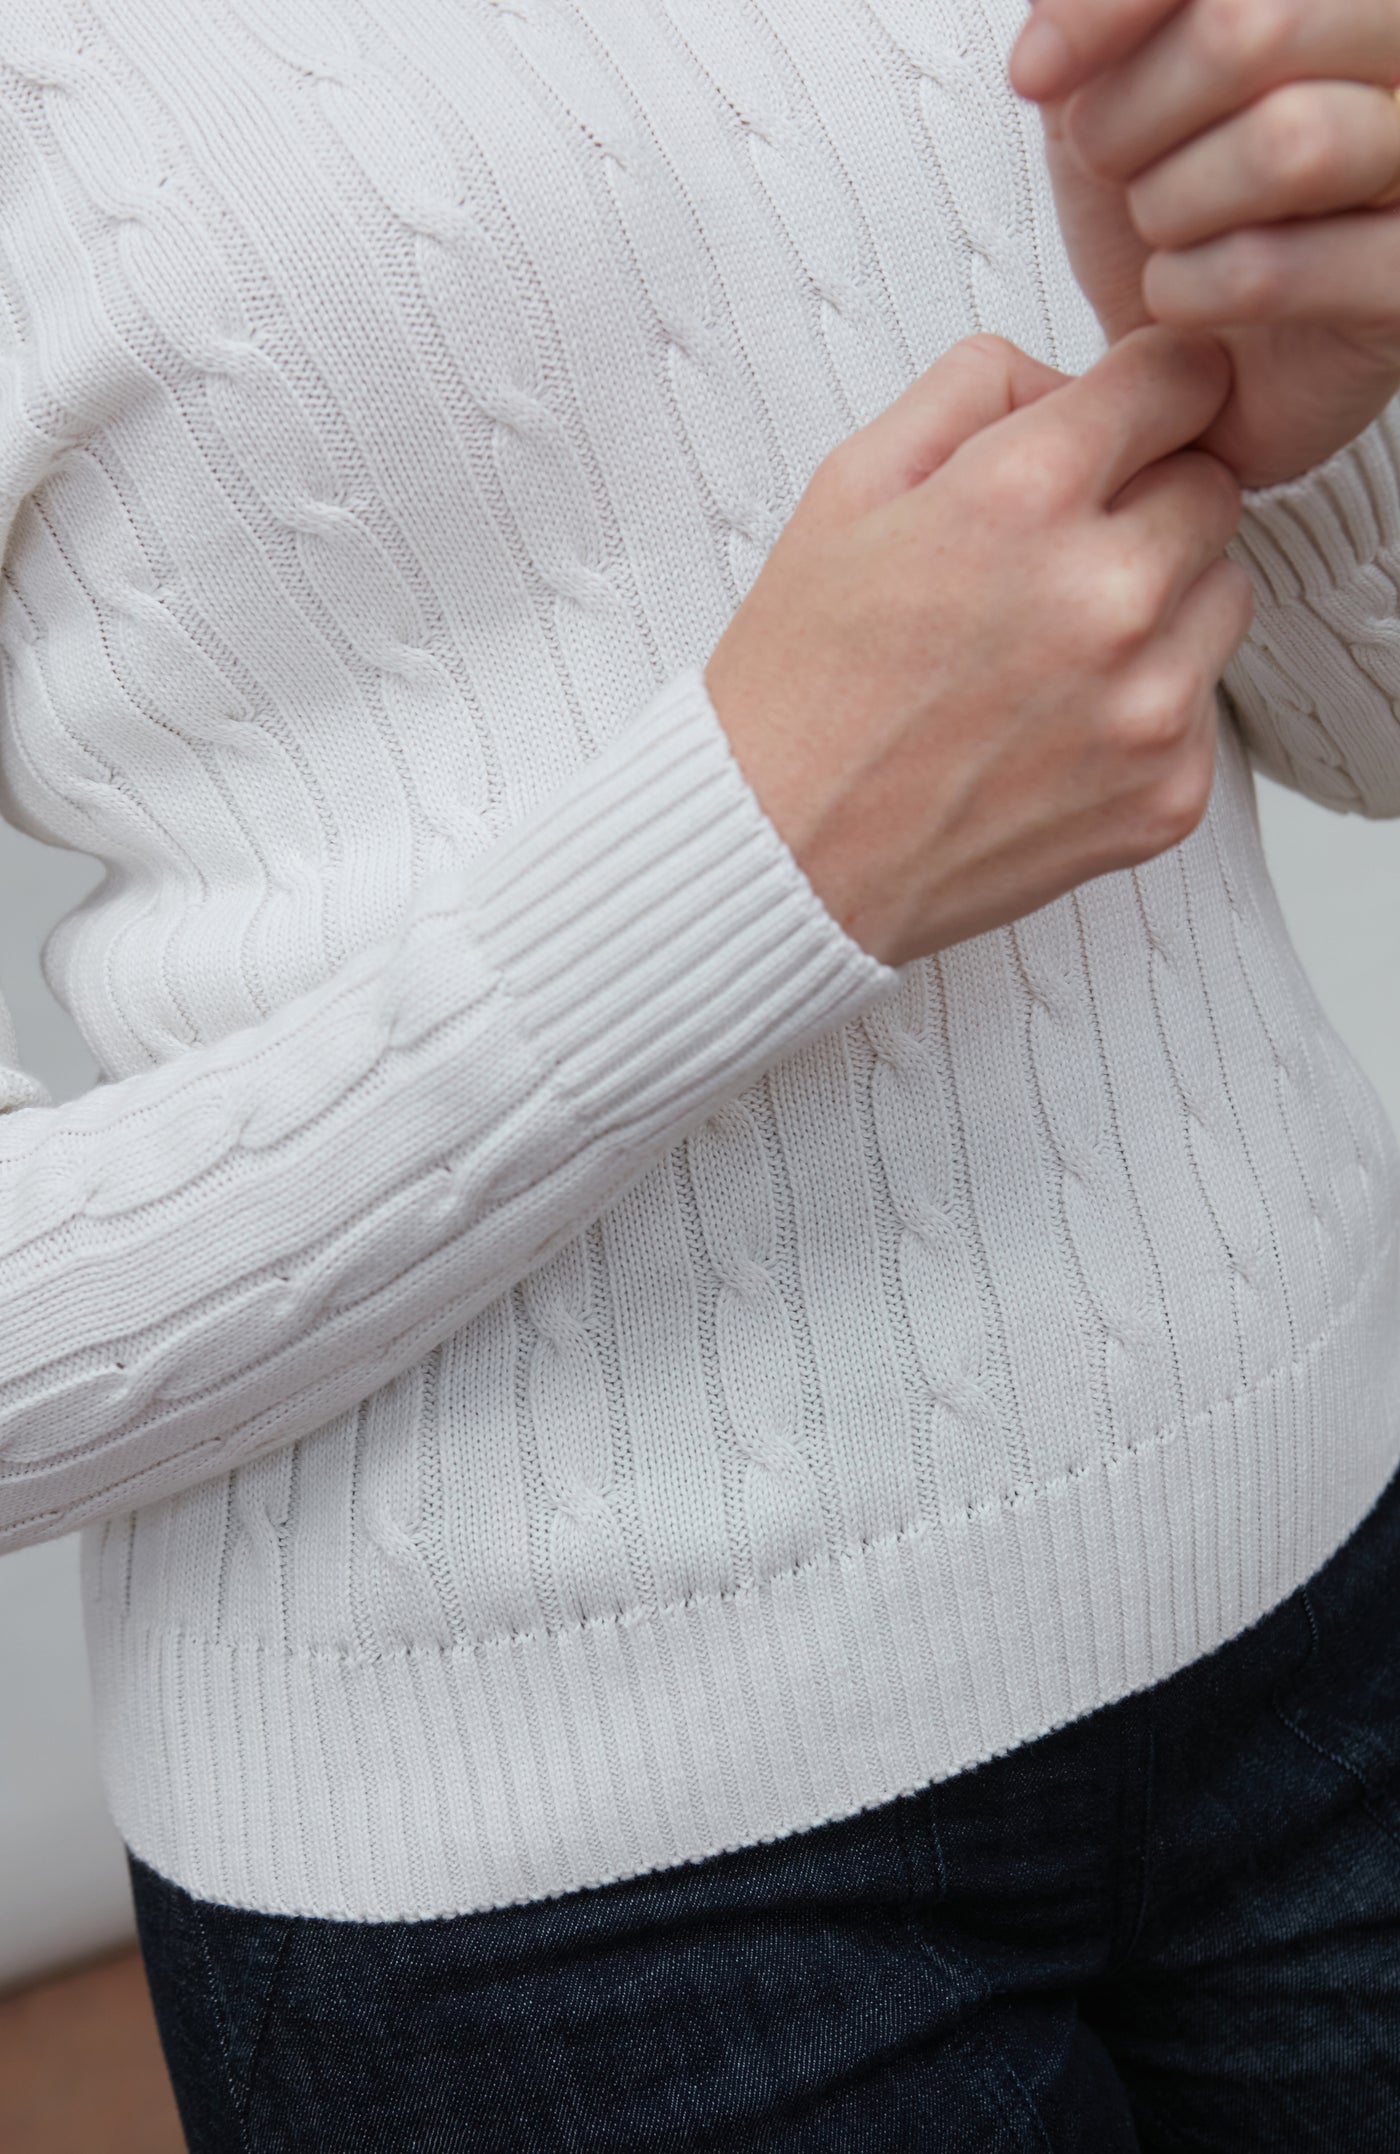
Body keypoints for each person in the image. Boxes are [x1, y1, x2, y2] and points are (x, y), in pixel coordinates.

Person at [3, 0, 1400, 2144]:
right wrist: (744, 867)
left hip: (1335, 1579)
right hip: (569, 1920)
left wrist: (1294, 432)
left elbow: (1363, 735)